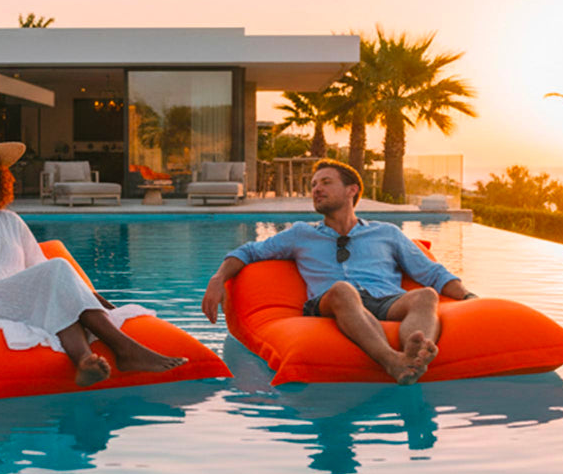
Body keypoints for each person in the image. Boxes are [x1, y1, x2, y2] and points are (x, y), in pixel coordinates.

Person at [0, 130, 185, 386]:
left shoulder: (9, 221)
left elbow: (43, 273)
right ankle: (125, 349)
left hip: (17, 297)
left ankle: (84, 360)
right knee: (56, 271)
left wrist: (98, 302)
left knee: (53, 284)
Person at [201, 158, 476, 385]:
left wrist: (468, 297)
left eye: (325, 182)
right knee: (344, 291)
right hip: (330, 301)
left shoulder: (387, 233)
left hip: (384, 300)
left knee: (426, 295)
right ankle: (392, 361)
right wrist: (217, 279)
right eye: (313, 185)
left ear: (351, 190)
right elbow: (248, 251)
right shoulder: (301, 234)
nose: (316, 189)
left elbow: (433, 273)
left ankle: (414, 354)